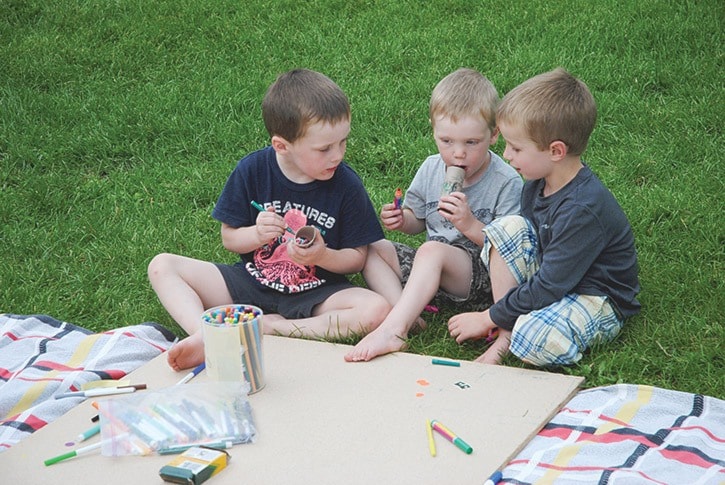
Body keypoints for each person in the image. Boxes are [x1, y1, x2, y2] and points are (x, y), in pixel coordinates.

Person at [149, 69, 391, 371]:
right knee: (162, 265)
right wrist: (256, 235)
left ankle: (269, 328)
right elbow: (229, 238)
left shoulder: (346, 185)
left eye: (343, 142)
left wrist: (322, 255)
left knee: (376, 309)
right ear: (281, 145)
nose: (338, 155)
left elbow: (357, 259)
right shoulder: (252, 170)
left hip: (316, 292)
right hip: (250, 281)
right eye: (325, 148)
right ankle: (206, 335)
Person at [448, 68, 641, 366]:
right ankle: (506, 331)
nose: (507, 155)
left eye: (516, 147)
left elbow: (550, 285)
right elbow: (535, 259)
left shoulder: (582, 209)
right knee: (504, 229)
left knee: (531, 337)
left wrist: (487, 316)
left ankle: (514, 329)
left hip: (595, 297)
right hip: (557, 281)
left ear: (556, 151)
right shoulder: (536, 185)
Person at [345, 68, 523, 362]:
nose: (458, 154)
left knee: (431, 251)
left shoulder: (506, 181)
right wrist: (403, 220)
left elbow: (510, 251)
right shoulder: (430, 168)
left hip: (477, 277)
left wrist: (469, 223)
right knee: (371, 247)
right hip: (431, 267)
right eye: (446, 141)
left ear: (494, 135)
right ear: (433, 131)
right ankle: (405, 310)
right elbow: (419, 220)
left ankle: (394, 329)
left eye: (471, 143)